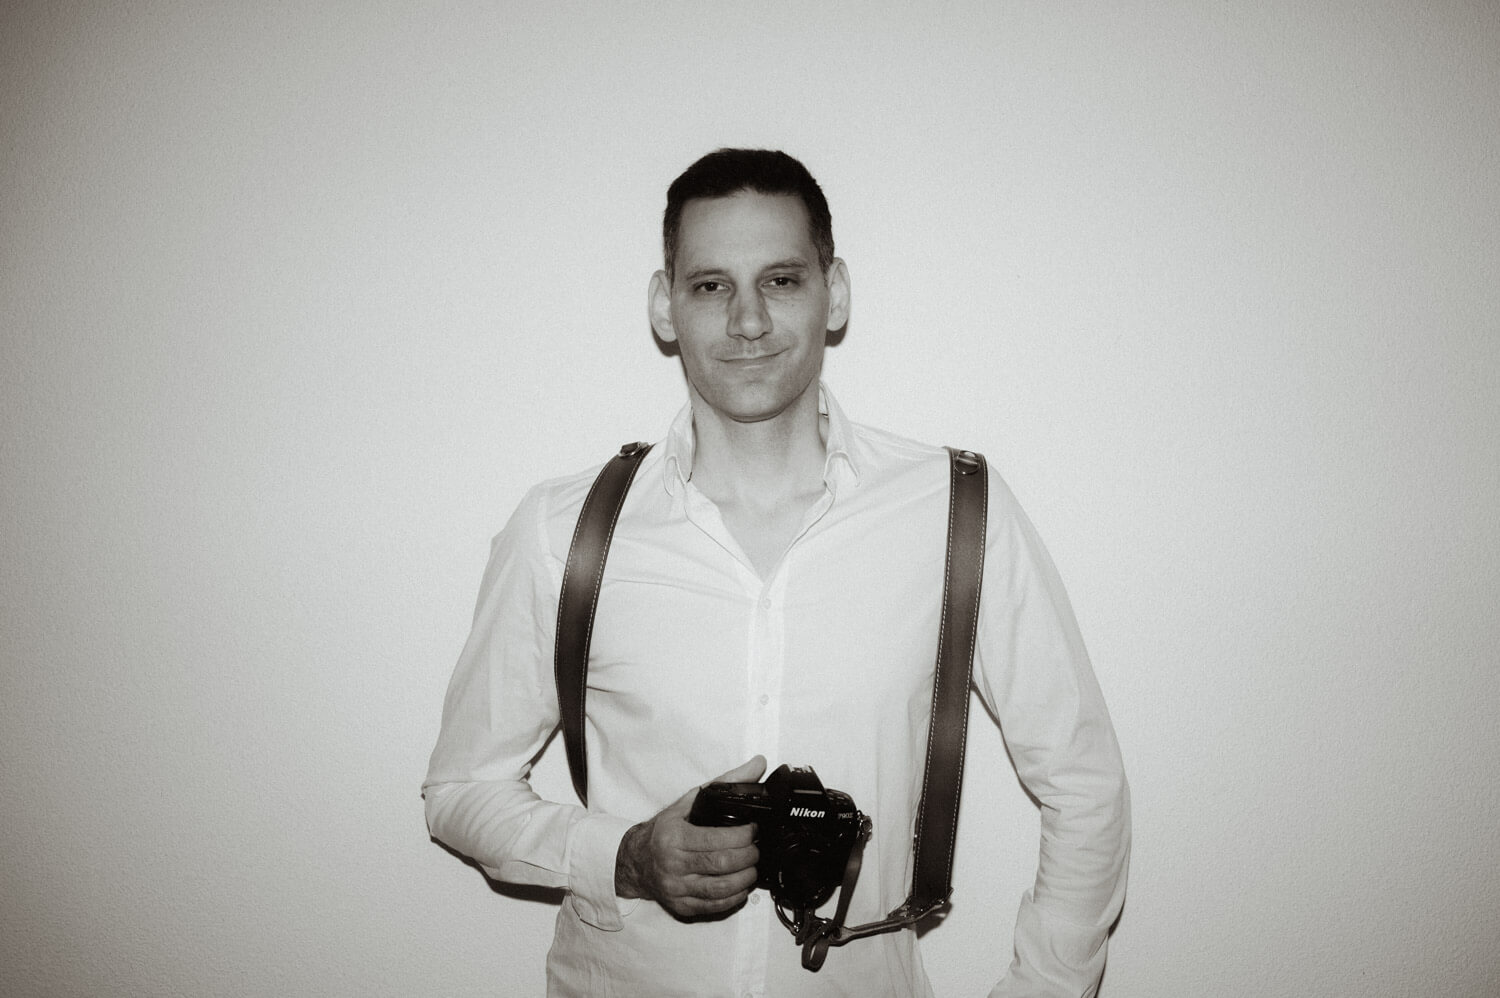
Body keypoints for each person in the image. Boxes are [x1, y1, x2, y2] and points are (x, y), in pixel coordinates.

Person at [424, 148, 1130, 997]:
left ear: (835, 294)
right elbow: (461, 790)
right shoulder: (564, 531)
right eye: (711, 285)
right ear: (664, 305)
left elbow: (1085, 787)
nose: (748, 320)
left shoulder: (954, 514)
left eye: (783, 280)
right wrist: (630, 857)